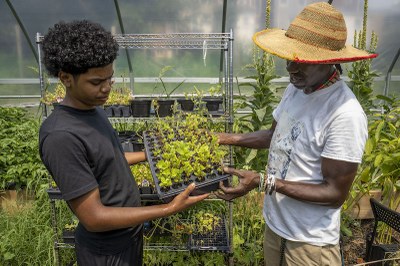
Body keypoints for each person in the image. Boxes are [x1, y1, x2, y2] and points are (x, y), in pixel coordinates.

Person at [216, 2, 377, 266]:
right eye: (290, 57)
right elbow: (274, 136)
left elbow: (334, 193)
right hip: (277, 228)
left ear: (330, 61)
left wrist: (263, 182)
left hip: (309, 245)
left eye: (302, 61)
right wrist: (224, 138)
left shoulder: (344, 113)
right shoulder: (300, 87)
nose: (291, 68)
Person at [38, 20, 208, 266]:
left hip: (128, 235)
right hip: (106, 251)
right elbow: (94, 217)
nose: (106, 88)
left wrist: (151, 154)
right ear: (66, 78)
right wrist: (167, 209)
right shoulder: (60, 136)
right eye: (96, 82)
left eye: (110, 79)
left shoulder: (93, 110)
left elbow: (108, 159)